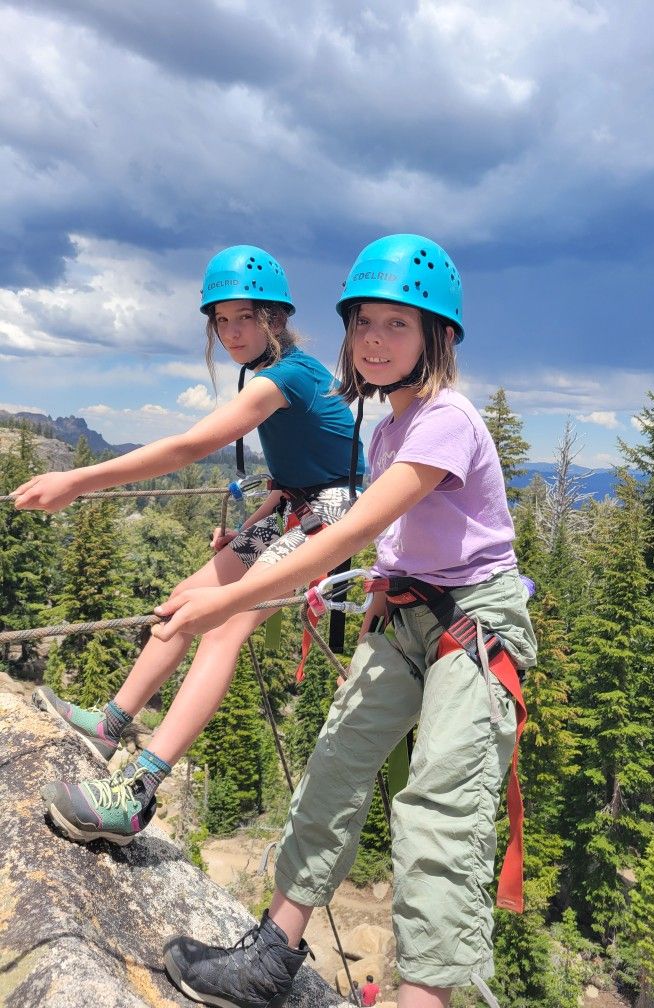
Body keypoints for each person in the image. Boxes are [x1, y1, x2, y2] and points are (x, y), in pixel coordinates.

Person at [154, 234, 537, 1008]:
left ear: (437, 336)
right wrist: (373, 616)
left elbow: (353, 530)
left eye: (397, 324)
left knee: (439, 811)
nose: (374, 340)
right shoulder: (388, 426)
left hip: (474, 625)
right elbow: (395, 542)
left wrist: (227, 599)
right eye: (363, 322)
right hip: (407, 611)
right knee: (334, 766)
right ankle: (270, 960)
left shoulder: (447, 419)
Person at [12, 244, 364, 845]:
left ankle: (138, 794)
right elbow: (302, 471)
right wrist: (253, 528)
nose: (231, 332)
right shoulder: (279, 372)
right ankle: (109, 726)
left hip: (328, 518)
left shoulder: (287, 376)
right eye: (221, 320)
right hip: (292, 508)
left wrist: (77, 481)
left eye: (244, 317)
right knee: (183, 601)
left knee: (224, 626)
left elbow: (188, 448)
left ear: (276, 318)